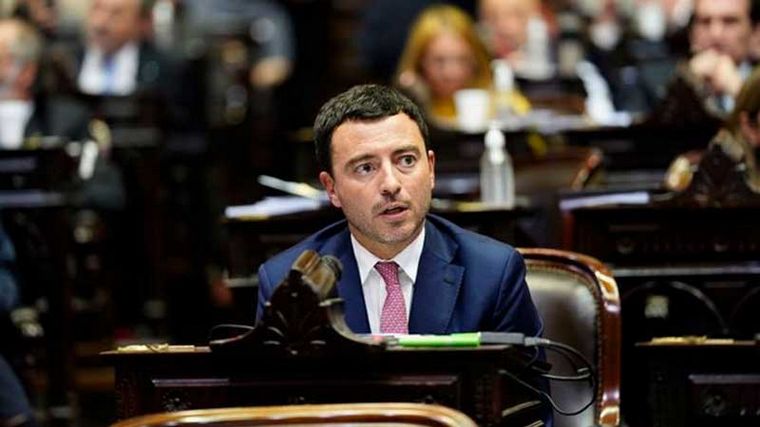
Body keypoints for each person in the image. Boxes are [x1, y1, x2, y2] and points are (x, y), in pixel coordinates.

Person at [256, 84, 543, 344]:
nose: (391, 184)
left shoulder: (493, 272)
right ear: (332, 188)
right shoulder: (288, 284)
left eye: (406, 160)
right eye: (365, 168)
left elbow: (527, 386)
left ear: (430, 169)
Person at [395, 4, 528, 126]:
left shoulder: (503, 101)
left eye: (462, 60)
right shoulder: (404, 107)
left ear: (476, 59)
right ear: (419, 61)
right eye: (439, 61)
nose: (451, 73)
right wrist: (411, 98)